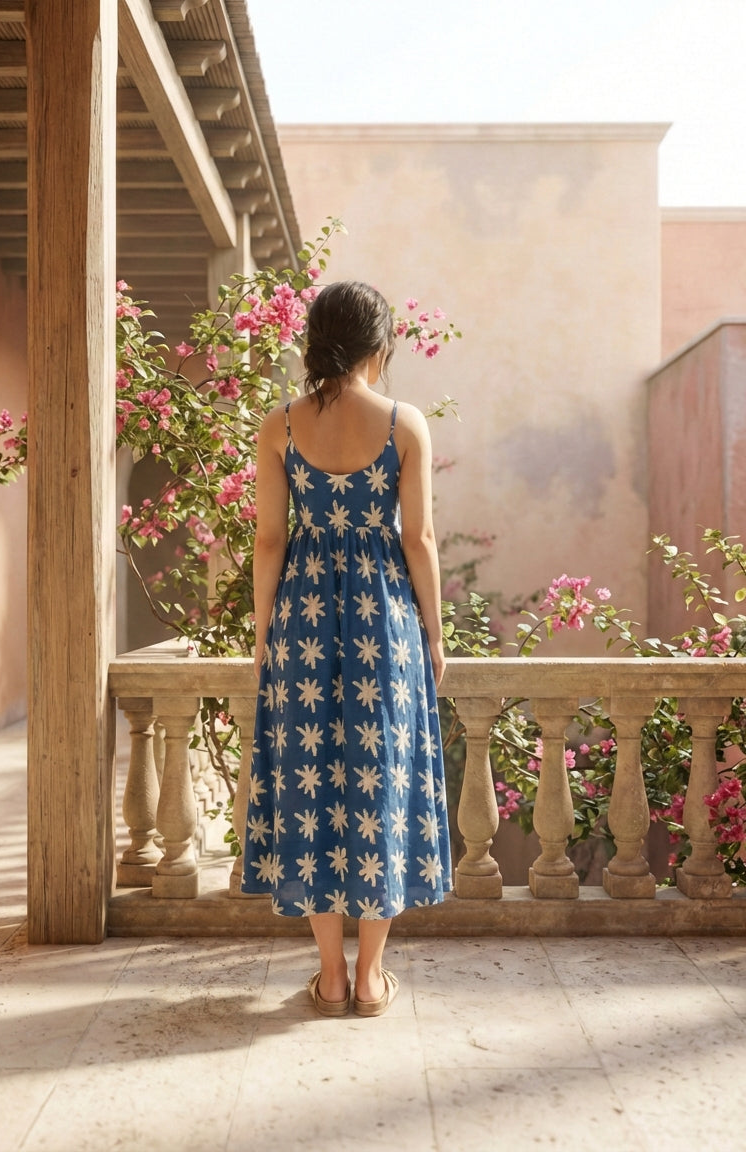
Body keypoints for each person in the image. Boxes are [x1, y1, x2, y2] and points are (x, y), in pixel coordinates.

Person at [241, 279, 452, 1017]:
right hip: (383, 622)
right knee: (379, 782)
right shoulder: (404, 424)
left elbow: (269, 538)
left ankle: (328, 976)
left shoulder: (280, 426)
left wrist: (265, 629)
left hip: (301, 617)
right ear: (380, 345)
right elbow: (418, 538)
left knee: (309, 781)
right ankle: (370, 979)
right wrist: (434, 630)